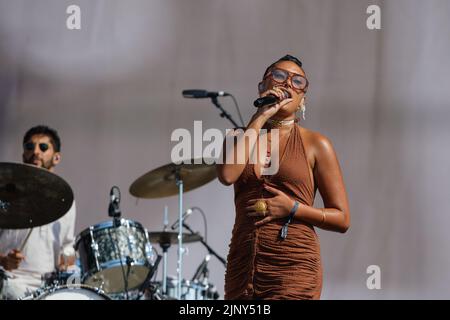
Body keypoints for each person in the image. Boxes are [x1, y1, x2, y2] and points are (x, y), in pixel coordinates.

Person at [216, 55, 350, 300]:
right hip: (244, 265)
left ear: (302, 100)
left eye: (298, 81)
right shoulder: (237, 138)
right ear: (262, 86)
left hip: (292, 265)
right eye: (278, 75)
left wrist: (294, 208)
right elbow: (227, 175)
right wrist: (261, 116)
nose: (287, 83)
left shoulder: (316, 144)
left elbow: (341, 218)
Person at [0, 125, 76, 299]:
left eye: (43, 147)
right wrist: (3, 260)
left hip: (48, 287)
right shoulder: (4, 197)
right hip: (10, 280)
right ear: (23, 155)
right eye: (29, 147)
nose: (35, 152)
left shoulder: (66, 200)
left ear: (56, 158)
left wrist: (68, 259)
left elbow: (67, 247)